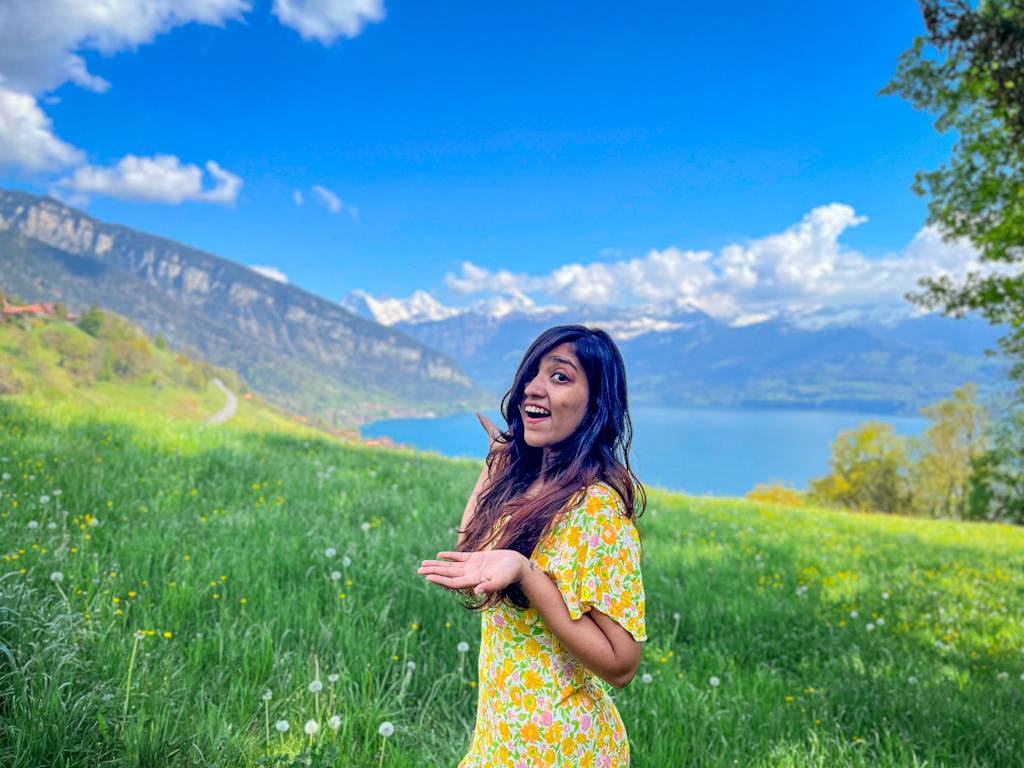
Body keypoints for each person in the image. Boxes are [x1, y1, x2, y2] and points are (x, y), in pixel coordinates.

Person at [418, 325, 648, 767]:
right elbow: (470, 555)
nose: (533, 389)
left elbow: (622, 664)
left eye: (560, 377)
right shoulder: (529, 481)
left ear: (596, 404)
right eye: (532, 374)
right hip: (501, 739)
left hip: (563, 748)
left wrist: (526, 573)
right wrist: (496, 462)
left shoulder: (595, 507)